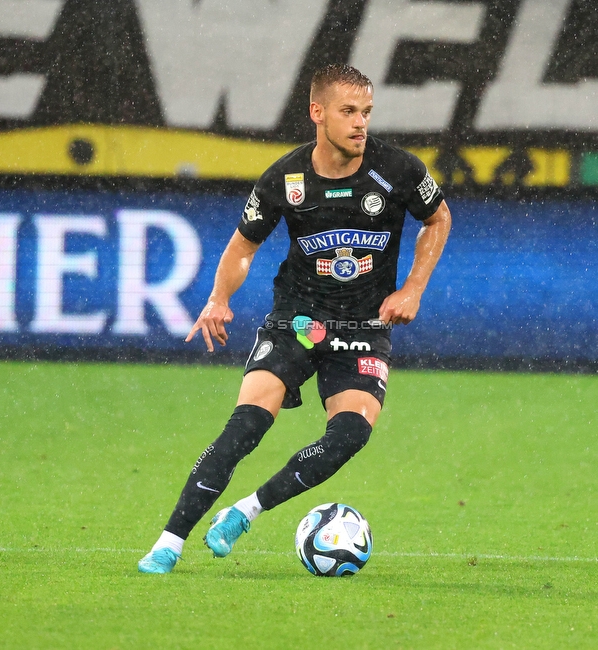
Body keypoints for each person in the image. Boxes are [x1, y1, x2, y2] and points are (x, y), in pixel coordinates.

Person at [138, 64, 452, 574]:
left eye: (366, 112)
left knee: (348, 437)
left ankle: (246, 511)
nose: (360, 123)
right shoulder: (285, 177)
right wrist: (219, 298)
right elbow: (244, 245)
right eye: (348, 111)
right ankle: (168, 542)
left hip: (364, 328)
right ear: (317, 112)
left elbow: (438, 218)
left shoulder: (398, 171)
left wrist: (413, 287)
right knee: (244, 429)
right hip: (298, 320)